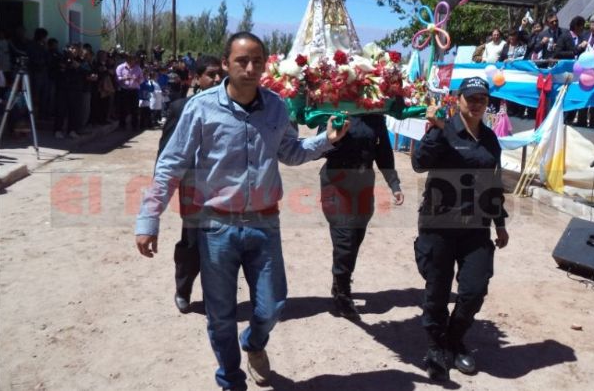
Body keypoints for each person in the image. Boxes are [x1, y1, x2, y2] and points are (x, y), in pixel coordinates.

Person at [135, 32, 350, 390]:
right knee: (221, 316)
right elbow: (171, 164)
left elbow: (291, 152)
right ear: (225, 64)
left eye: (257, 62)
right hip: (215, 228)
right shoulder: (201, 108)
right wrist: (148, 218)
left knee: (273, 305)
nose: (250, 68)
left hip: (265, 224)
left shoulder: (277, 107)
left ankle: (253, 343)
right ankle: (230, 379)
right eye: (241, 61)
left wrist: (325, 141)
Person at [411, 76, 509, 381]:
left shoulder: (490, 139)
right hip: (439, 225)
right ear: (458, 99)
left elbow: (493, 183)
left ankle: (455, 340)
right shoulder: (443, 128)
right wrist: (435, 131)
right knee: (437, 290)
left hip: (476, 228)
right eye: (472, 98)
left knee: (474, 289)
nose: (478, 103)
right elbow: (419, 162)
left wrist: (500, 223)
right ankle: (436, 347)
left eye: (483, 98)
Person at [319, 114, 404, 320]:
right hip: (336, 183)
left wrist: (394, 184)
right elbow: (318, 149)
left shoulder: (375, 118)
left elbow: (383, 152)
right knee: (345, 238)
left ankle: (340, 279)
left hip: (364, 185)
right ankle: (343, 293)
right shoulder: (333, 109)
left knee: (356, 236)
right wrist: (333, 137)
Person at [158, 55, 224, 314]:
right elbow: (166, 155)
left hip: (223, 191)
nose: (217, 79)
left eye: (220, 74)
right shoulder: (180, 108)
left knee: (219, 246)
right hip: (193, 191)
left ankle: (214, 295)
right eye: (211, 74)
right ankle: (183, 288)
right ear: (197, 78)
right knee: (192, 244)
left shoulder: (233, 108)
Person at [115, 54, 143, 130]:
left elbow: (141, 79)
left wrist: (137, 79)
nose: (133, 61)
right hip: (124, 90)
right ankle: (122, 125)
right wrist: (125, 78)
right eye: (131, 59)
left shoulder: (138, 68)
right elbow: (117, 78)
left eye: (134, 59)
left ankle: (135, 126)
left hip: (134, 90)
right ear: (127, 60)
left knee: (135, 109)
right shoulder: (120, 67)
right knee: (123, 108)